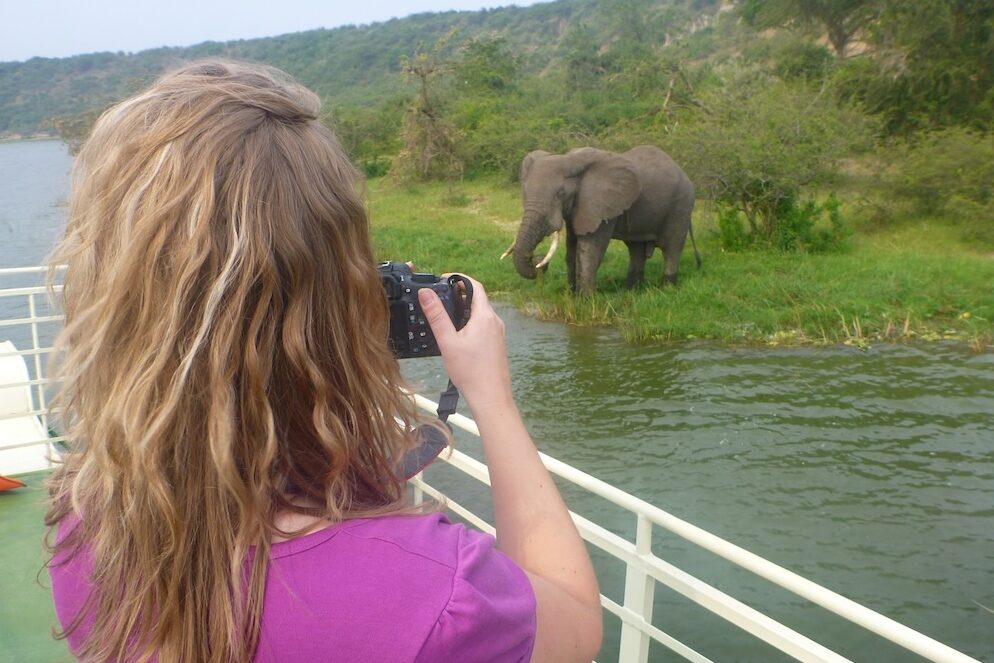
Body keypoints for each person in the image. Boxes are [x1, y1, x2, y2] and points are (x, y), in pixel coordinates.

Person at [45, 60, 602, 662]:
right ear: (345, 308)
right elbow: (574, 623)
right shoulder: (441, 597)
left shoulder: (82, 518)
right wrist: (492, 397)